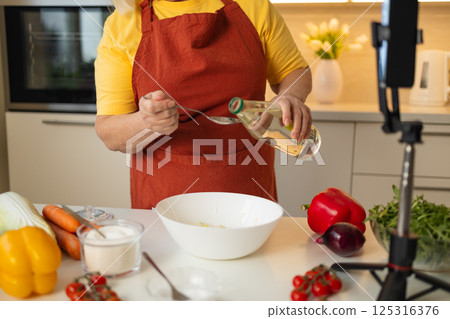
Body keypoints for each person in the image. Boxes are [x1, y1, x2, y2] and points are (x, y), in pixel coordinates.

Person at [95, 0, 312, 209]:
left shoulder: (253, 5)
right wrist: (146, 123)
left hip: (248, 196)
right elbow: (109, 132)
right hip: (162, 200)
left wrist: (290, 95)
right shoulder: (121, 26)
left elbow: (295, 71)